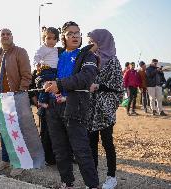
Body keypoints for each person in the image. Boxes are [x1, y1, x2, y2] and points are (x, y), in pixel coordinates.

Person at [44, 21, 99, 189]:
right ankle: (67, 183)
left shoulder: (87, 56)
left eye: (77, 33)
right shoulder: (56, 54)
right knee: (60, 150)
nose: (74, 36)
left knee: (81, 150)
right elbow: (40, 73)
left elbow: (86, 78)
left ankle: (92, 185)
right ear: (63, 37)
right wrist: (43, 81)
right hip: (53, 108)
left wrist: (59, 85)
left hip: (74, 107)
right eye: (70, 33)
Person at [0, 28, 32, 175]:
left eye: (8, 34)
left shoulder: (20, 52)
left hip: (14, 98)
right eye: (3, 34)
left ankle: (20, 162)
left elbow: (27, 75)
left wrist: (20, 94)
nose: (6, 36)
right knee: (3, 131)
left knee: (17, 131)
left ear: (12, 37)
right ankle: (6, 159)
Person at [87, 29, 124, 189]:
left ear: (101, 42)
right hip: (90, 108)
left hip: (105, 108)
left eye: (92, 42)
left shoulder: (113, 61)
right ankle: (93, 177)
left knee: (108, 143)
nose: (89, 45)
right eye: (89, 42)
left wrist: (99, 86)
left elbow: (118, 86)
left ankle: (111, 177)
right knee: (91, 143)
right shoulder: (89, 59)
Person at [34, 27, 62, 116]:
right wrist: (37, 65)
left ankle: (57, 96)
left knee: (55, 83)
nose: (51, 41)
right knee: (47, 85)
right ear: (44, 39)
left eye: (54, 39)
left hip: (54, 70)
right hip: (46, 70)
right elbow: (36, 57)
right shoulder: (43, 48)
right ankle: (41, 101)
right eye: (48, 38)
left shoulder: (56, 49)